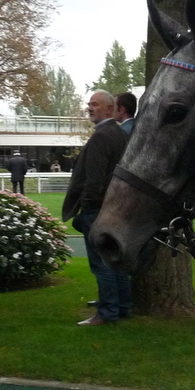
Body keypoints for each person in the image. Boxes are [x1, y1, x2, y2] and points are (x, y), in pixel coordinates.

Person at [62, 90, 130, 326]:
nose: (90, 108)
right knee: (115, 261)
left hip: (98, 210)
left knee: (101, 263)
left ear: (110, 109)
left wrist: (88, 209)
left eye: (95, 104)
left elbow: (94, 179)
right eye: (89, 104)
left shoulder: (102, 136)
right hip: (116, 208)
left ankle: (107, 312)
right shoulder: (120, 135)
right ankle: (122, 307)